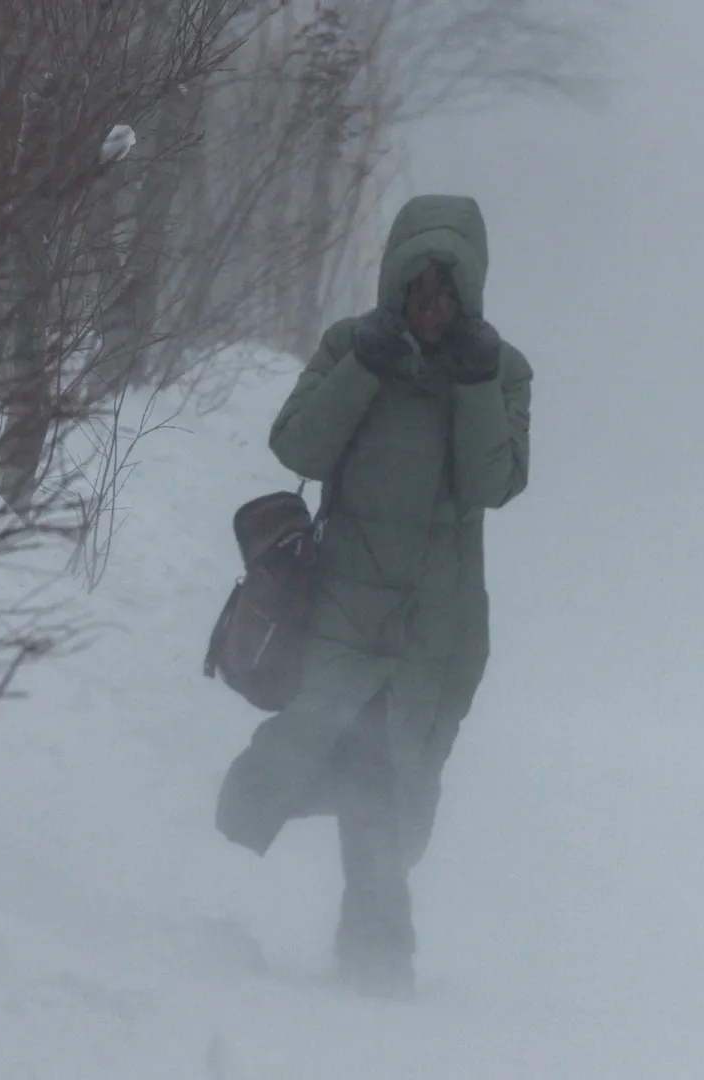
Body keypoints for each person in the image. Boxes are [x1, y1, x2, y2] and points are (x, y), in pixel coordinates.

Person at [214, 194, 532, 999]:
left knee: (393, 782)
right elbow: (297, 446)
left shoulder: (501, 371)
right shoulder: (353, 348)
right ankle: (362, 949)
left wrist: (472, 384)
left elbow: (494, 483)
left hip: (435, 624)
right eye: (419, 289)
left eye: (446, 293)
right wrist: (364, 364)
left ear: (469, 297)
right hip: (345, 610)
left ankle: (378, 956)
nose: (432, 307)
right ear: (396, 285)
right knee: (336, 757)